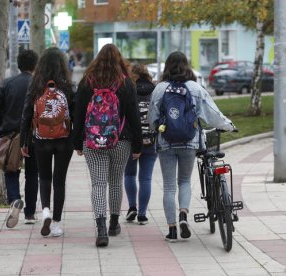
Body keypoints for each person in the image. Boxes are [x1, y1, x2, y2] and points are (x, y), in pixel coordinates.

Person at [148, 51, 235, 242]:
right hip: (189, 142)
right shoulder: (195, 88)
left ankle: (172, 230)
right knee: (185, 181)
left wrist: (158, 129)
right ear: (186, 65)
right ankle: (183, 216)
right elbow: (212, 113)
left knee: (169, 187)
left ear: (167, 66)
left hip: (165, 143)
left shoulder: (160, 89)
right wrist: (229, 125)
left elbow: (152, 118)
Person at [72, 44, 142, 247]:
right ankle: (113, 223)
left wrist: (77, 142)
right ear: (119, 60)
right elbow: (134, 117)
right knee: (116, 181)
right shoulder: (126, 83)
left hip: (92, 141)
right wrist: (138, 145)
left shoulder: (87, 82)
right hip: (121, 140)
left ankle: (100, 229)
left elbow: (78, 114)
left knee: (98, 183)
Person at [20, 47, 74, 237]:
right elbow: (74, 114)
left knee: (44, 177)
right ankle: (57, 224)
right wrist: (78, 141)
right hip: (64, 140)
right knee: (59, 181)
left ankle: (45, 212)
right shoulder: (67, 86)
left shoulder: (36, 85)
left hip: (40, 140)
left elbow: (27, 114)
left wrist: (24, 142)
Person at [0, 49, 39, 228]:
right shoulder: (39, 85)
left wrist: (2, 130)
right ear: (35, 65)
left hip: (12, 135)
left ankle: (15, 199)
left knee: (10, 170)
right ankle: (30, 213)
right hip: (34, 136)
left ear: (18, 65)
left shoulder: (7, 84)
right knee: (33, 174)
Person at [124, 64, 157, 225]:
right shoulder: (156, 91)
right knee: (146, 178)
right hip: (151, 141)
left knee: (129, 175)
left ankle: (132, 208)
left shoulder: (129, 90)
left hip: (131, 141)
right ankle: (142, 214)